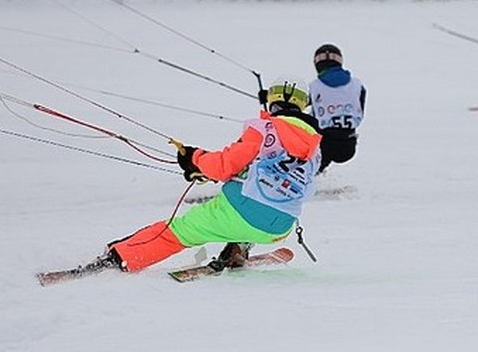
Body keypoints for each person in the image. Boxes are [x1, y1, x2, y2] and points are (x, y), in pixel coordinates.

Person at [84, 83, 323, 273]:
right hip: (279, 228)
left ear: (271, 101)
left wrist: (194, 158)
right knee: (259, 203)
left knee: (177, 232)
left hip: (237, 214)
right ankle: (237, 249)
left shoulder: (265, 128)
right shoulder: (315, 148)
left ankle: (120, 258)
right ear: (303, 105)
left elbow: (224, 166)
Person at [308, 44, 366, 174]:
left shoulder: (314, 87)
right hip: (348, 144)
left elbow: (297, 104)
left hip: (323, 144)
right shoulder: (357, 85)